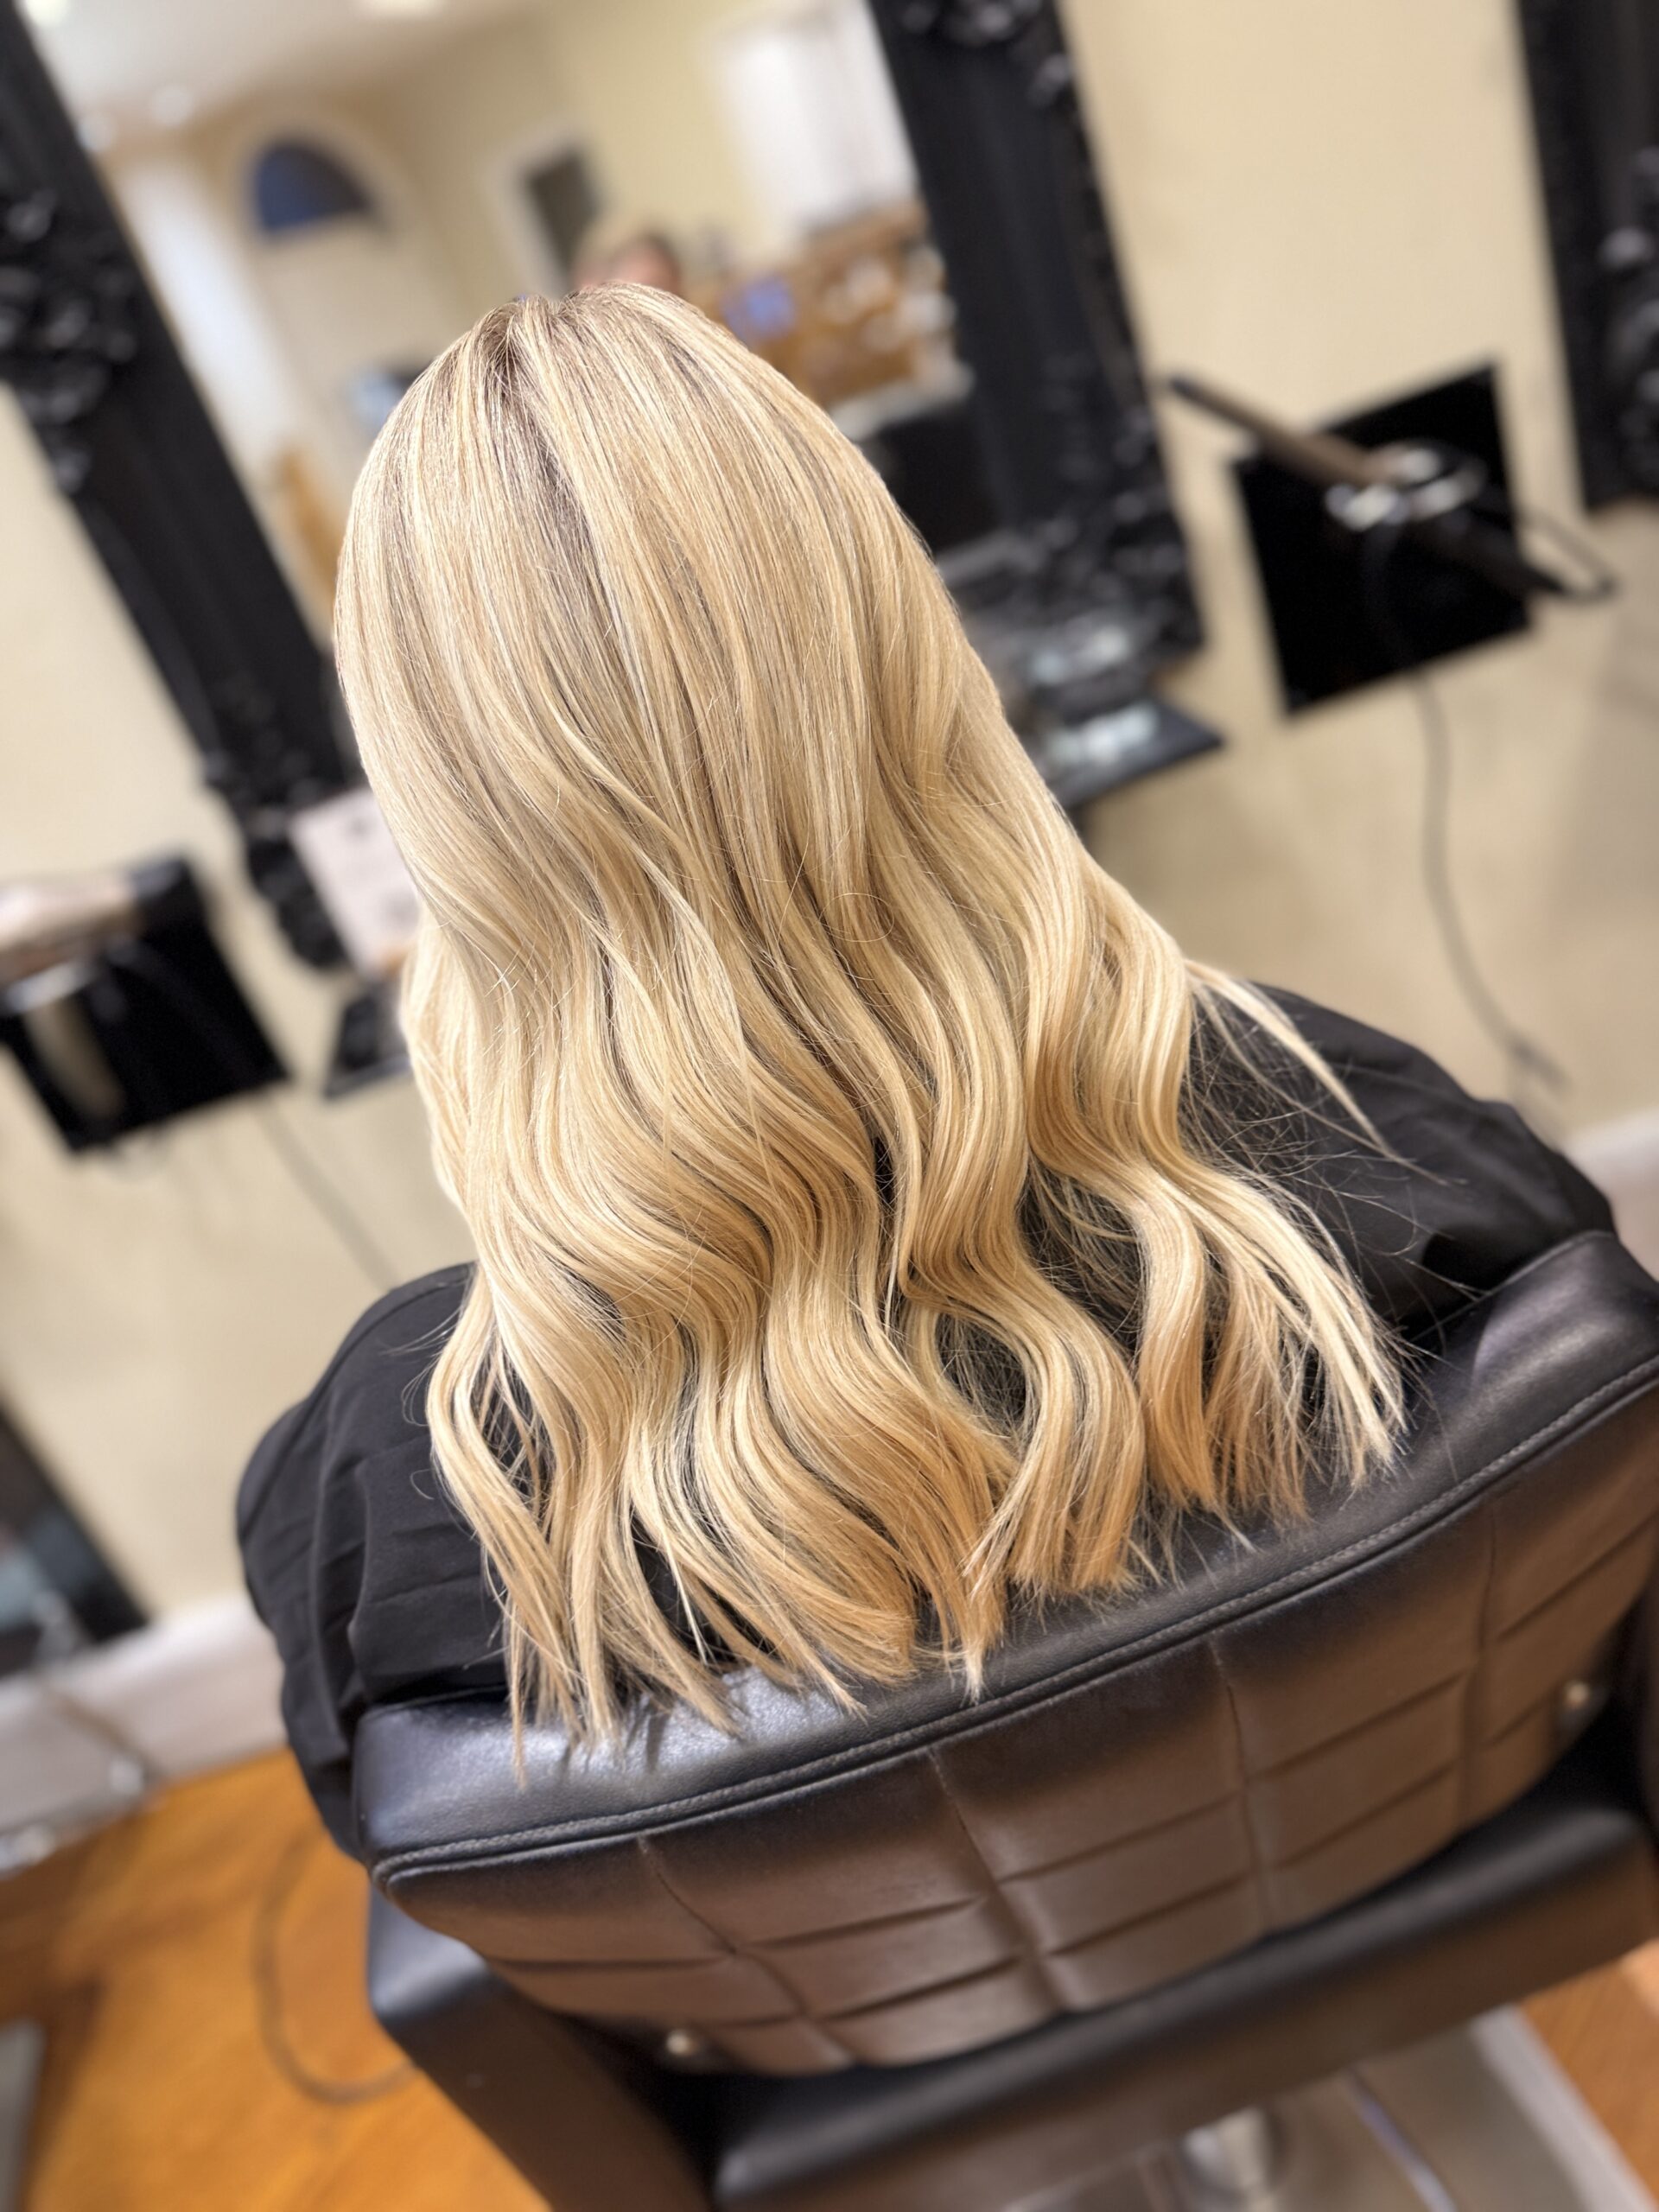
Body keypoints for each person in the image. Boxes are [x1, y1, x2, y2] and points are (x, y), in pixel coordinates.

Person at [238, 287, 1613, 1853]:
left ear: (452, 843)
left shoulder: (386, 1478)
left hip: (892, 1990)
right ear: (916, 662)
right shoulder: (1351, 1135)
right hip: (1384, 1842)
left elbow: (406, 1829)